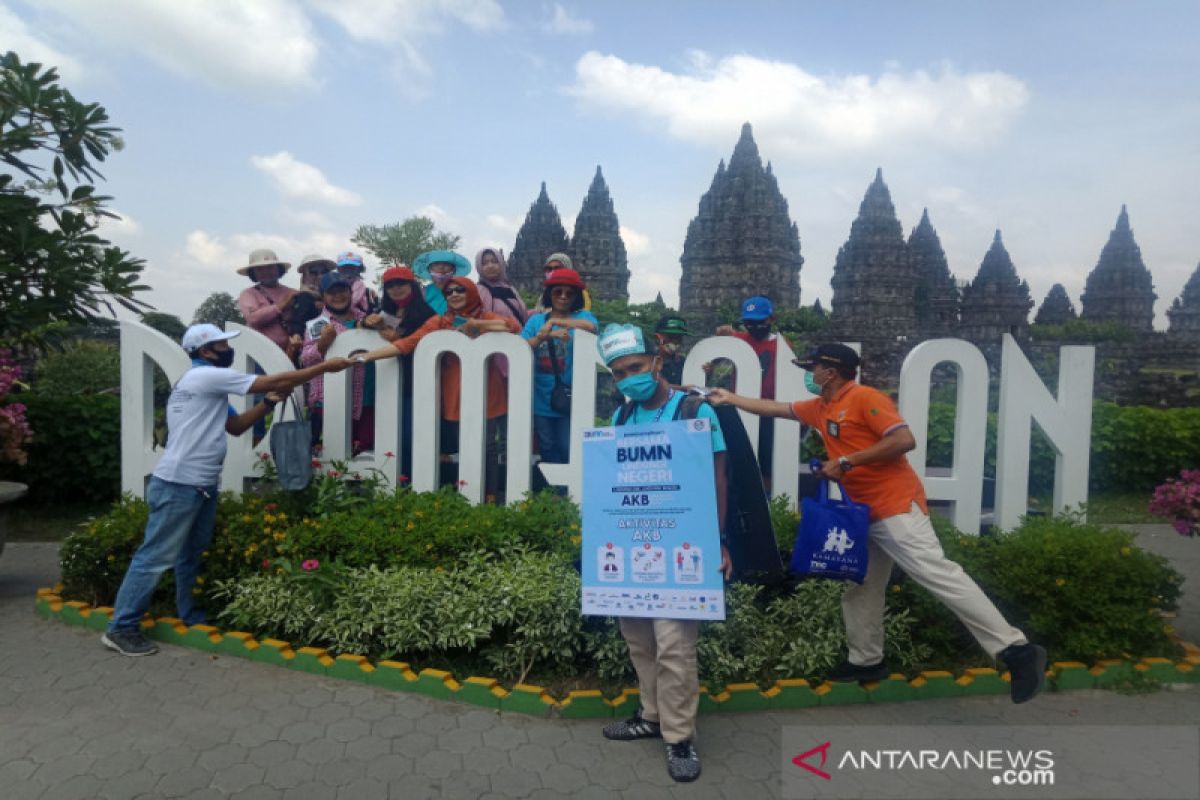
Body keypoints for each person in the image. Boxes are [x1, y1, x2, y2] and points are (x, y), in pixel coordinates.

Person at [707, 342, 1049, 704]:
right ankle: (866, 660)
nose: (809, 374)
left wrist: (848, 462)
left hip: (895, 507)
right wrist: (729, 398)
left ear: (831, 372)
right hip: (862, 514)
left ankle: (1016, 650)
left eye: (814, 368)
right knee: (861, 586)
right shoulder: (823, 406)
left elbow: (904, 439)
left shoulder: (865, 398)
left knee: (938, 572)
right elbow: (778, 409)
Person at [101, 324, 354, 657]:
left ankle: (189, 615)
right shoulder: (203, 376)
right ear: (206, 351)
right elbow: (275, 380)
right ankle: (121, 628)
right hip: (180, 483)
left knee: (189, 554)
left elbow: (236, 427)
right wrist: (325, 367)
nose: (227, 350)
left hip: (199, 484)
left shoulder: (205, 387)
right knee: (154, 557)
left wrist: (266, 404)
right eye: (222, 345)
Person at [595, 323, 731, 783]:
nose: (628, 378)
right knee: (639, 641)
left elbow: (717, 478)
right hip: (632, 550)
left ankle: (679, 738)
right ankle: (650, 717)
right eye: (618, 373)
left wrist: (719, 540)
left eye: (634, 367)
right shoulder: (620, 419)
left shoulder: (693, 409)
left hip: (681, 550)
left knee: (674, 645)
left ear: (657, 361)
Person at [361, 276, 520, 483]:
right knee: (463, 443)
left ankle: (489, 495)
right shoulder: (441, 321)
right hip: (454, 391)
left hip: (487, 389)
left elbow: (512, 327)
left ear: (471, 292)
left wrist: (477, 324)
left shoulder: (487, 316)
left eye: (460, 290)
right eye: (449, 292)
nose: (454, 294)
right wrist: (364, 357)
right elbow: (408, 343)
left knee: (488, 444)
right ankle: (467, 489)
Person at [365, 265, 439, 479]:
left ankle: (414, 479)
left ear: (412, 286)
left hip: (415, 383)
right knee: (387, 433)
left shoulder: (427, 314)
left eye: (401, 284)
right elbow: (362, 326)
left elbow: (425, 349)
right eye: (391, 286)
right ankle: (391, 478)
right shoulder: (383, 312)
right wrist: (367, 322)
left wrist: (397, 341)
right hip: (385, 382)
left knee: (410, 434)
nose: (396, 289)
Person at [521, 269, 599, 466]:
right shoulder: (536, 321)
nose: (563, 297)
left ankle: (570, 490)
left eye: (569, 293)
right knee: (547, 444)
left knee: (567, 444)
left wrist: (555, 321)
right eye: (558, 292)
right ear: (549, 294)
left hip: (569, 395)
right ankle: (556, 493)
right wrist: (544, 336)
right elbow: (521, 347)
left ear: (576, 297)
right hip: (541, 395)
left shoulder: (583, 317)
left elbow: (591, 328)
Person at [708, 296, 779, 491]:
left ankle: (767, 505)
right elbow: (714, 350)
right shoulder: (738, 340)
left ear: (771, 319)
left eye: (759, 322)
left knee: (767, 461)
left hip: (769, 411)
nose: (754, 327)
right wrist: (719, 337)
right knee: (736, 457)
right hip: (739, 406)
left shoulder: (782, 345)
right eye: (749, 323)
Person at [301, 272, 375, 455]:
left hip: (367, 398)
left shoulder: (366, 319)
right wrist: (323, 344)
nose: (338, 296)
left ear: (350, 293)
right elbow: (306, 359)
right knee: (331, 454)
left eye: (342, 290)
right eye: (331, 292)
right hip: (330, 400)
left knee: (364, 451)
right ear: (324, 297)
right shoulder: (318, 324)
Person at [236, 248, 295, 352]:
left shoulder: (292, 292)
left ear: (278, 269)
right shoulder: (249, 294)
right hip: (261, 353)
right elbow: (253, 319)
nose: (265, 272)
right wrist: (281, 305)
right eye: (260, 269)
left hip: (292, 350)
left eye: (270, 267)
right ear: (253, 273)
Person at [285, 254, 335, 364]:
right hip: (311, 353)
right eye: (313, 272)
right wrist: (296, 334)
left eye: (324, 271)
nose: (320, 276)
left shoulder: (336, 295)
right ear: (305, 275)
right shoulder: (304, 297)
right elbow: (298, 321)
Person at [413, 249, 471, 315]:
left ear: (454, 269)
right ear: (429, 269)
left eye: (446, 264)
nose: (441, 267)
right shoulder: (422, 293)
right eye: (436, 264)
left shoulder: (463, 290)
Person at [334, 251, 379, 316]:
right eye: (344, 268)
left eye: (352, 268)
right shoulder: (333, 287)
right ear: (339, 269)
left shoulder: (364, 288)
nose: (348, 271)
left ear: (359, 270)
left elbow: (351, 303)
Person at [654, 314, 690, 386]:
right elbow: (653, 387)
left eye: (679, 338)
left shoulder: (684, 363)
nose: (675, 341)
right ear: (657, 338)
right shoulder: (648, 363)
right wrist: (684, 388)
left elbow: (693, 382)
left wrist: (706, 373)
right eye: (671, 337)